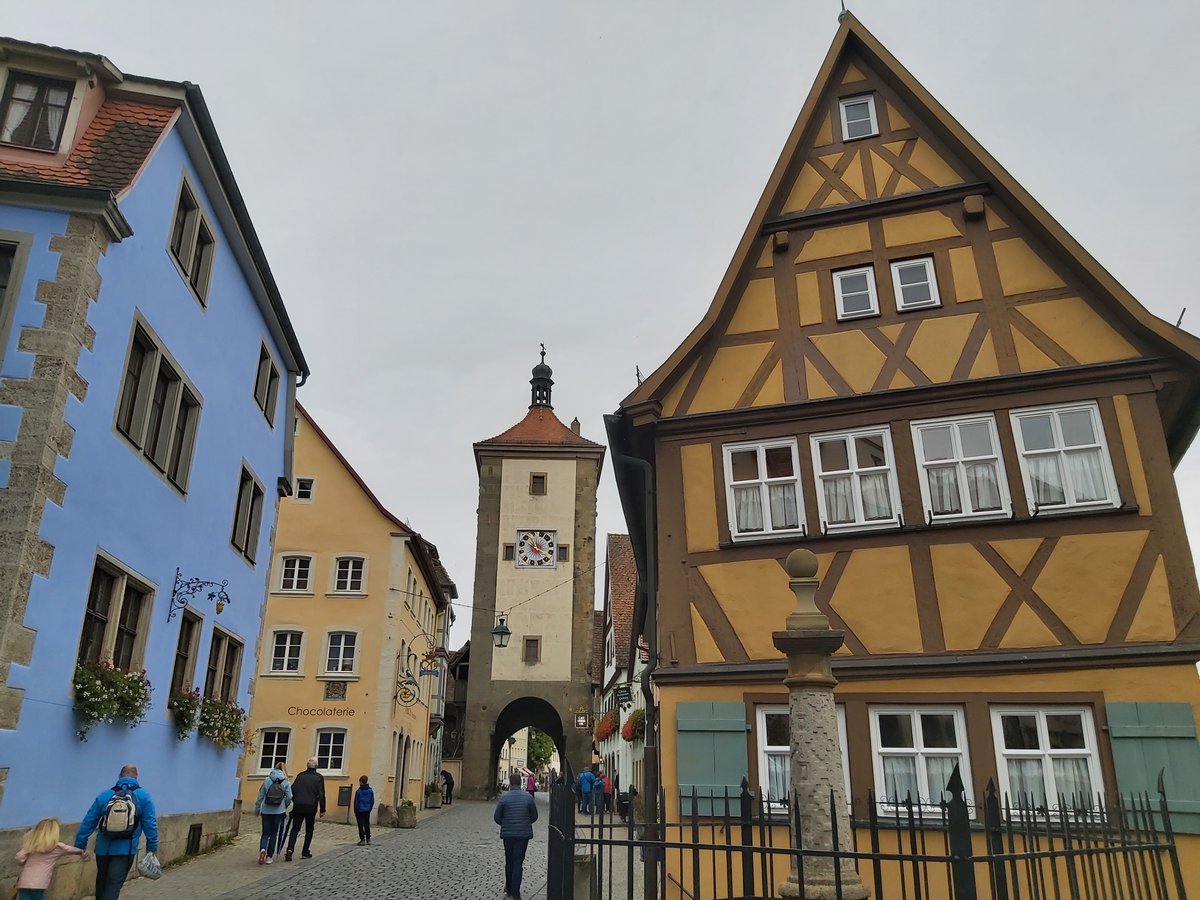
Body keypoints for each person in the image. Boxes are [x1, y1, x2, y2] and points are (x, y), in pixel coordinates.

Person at [74, 764, 158, 900]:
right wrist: (152, 848)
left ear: (119, 776)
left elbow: (89, 821)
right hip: (126, 849)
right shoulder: (144, 796)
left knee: (101, 882)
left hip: (103, 848)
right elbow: (151, 824)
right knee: (114, 885)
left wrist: (80, 844)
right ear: (136, 776)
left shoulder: (105, 795)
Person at [15, 817, 87, 899]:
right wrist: (82, 852)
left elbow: (20, 857)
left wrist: (23, 859)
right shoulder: (57, 847)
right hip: (40, 882)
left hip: (25, 880)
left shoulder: (31, 846)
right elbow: (71, 850)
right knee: (38, 897)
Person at [494, 771, 538, 900]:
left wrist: (505, 823)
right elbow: (534, 816)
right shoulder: (528, 798)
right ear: (520, 782)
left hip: (508, 834)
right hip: (522, 835)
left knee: (509, 860)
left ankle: (508, 886)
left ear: (511, 782)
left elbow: (497, 817)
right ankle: (516, 892)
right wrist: (525, 822)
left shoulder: (504, 798)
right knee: (518, 862)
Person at [285, 756, 326, 861]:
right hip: (310, 807)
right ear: (316, 766)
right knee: (309, 829)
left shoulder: (300, 775)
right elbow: (321, 794)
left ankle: (290, 849)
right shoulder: (319, 777)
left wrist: (295, 802)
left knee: (295, 829)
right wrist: (322, 809)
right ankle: (305, 851)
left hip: (298, 806)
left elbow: (292, 790)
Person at [254, 765, 291, 865]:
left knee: (265, 833)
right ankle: (269, 856)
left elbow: (260, 795)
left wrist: (257, 808)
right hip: (279, 811)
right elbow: (289, 797)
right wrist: (285, 806)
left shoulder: (267, 780)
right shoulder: (285, 781)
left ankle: (262, 850)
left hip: (266, 810)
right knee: (274, 833)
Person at [353, 775, 375, 846]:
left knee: (360, 825)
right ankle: (368, 839)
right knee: (366, 824)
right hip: (367, 810)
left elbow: (356, 802)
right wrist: (369, 808)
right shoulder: (370, 791)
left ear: (361, 782)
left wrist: (356, 811)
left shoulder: (359, 791)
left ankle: (362, 839)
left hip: (360, 810)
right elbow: (372, 801)